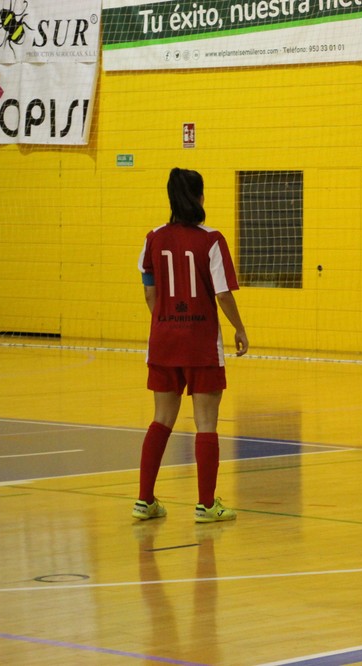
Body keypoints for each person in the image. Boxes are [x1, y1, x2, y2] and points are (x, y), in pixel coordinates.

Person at [132, 168, 248, 523]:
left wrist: (166, 320)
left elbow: (150, 291)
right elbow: (223, 293)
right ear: (200, 197)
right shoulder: (211, 239)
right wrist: (240, 328)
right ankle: (206, 505)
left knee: (161, 420)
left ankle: (144, 500)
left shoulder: (152, 237)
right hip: (199, 343)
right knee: (206, 422)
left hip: (163, 341)